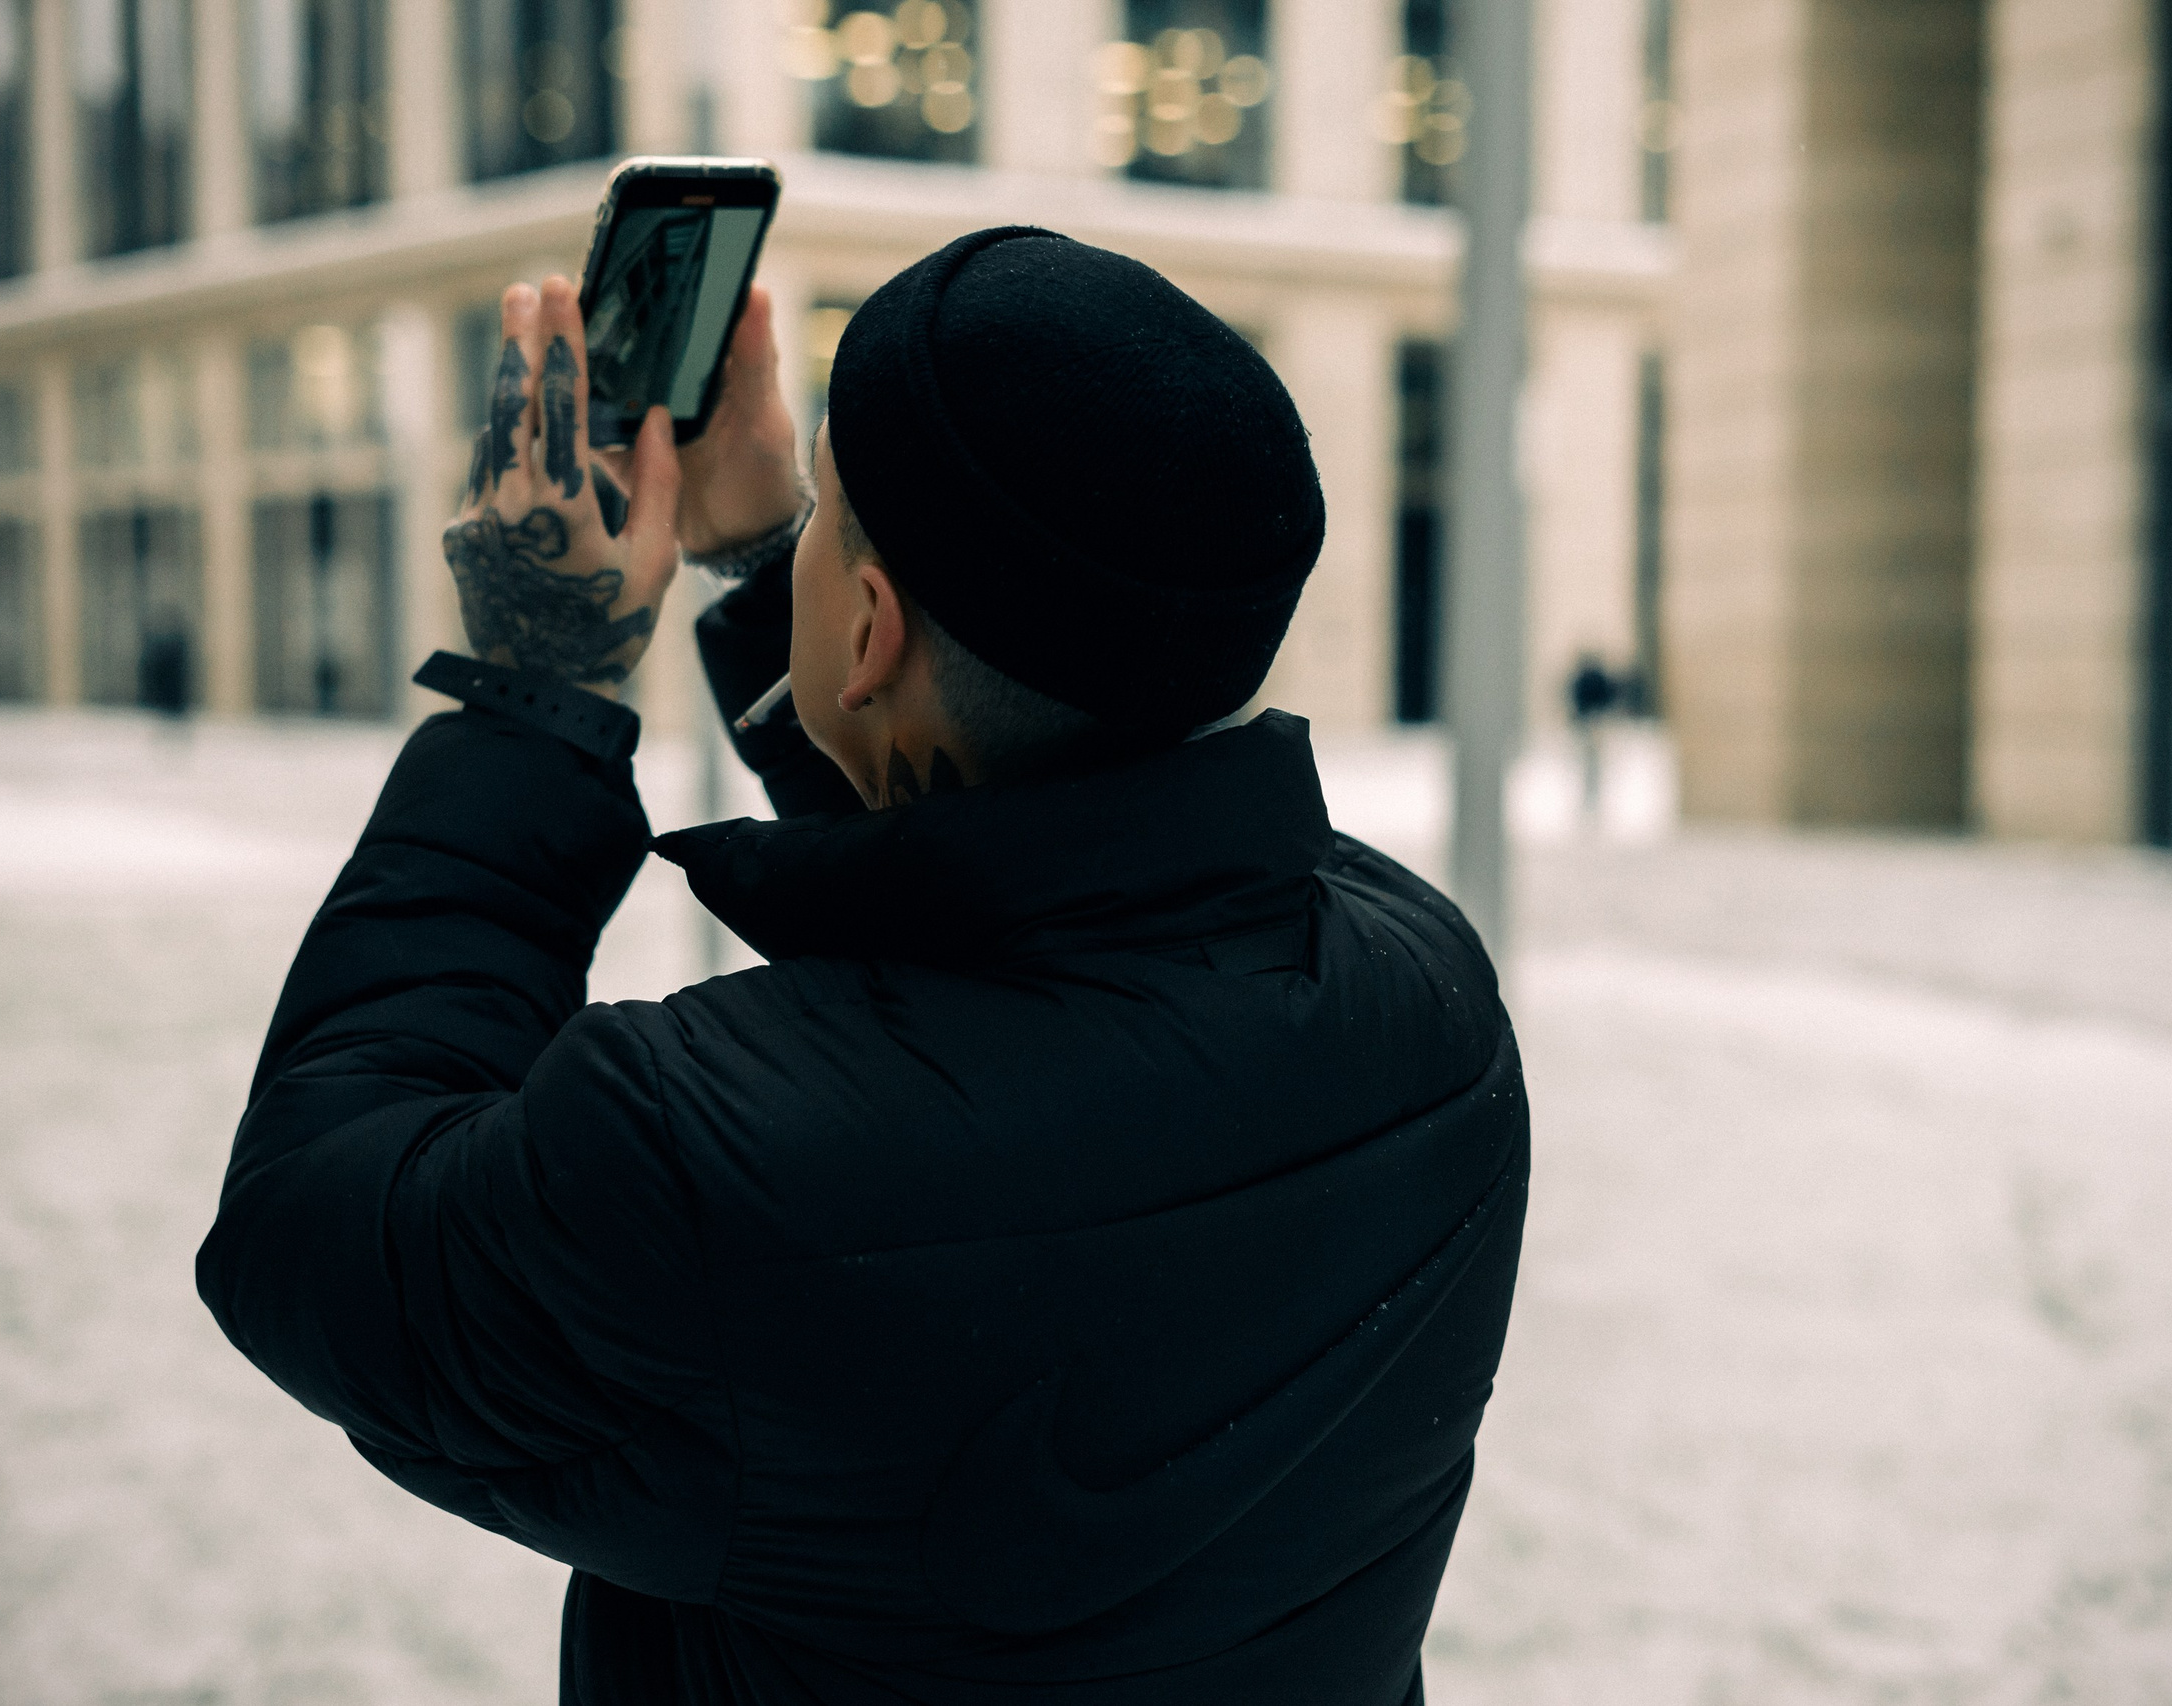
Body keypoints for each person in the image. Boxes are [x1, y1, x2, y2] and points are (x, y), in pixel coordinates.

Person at [198, 227, 1528, 1705]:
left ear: (877, 628)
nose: (814, 526)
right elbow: (1038, 924)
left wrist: (538, 684)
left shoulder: (703, 1161)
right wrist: (782, 556)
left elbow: (312, 1229)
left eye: (830, 507)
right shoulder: (1434, 1003)